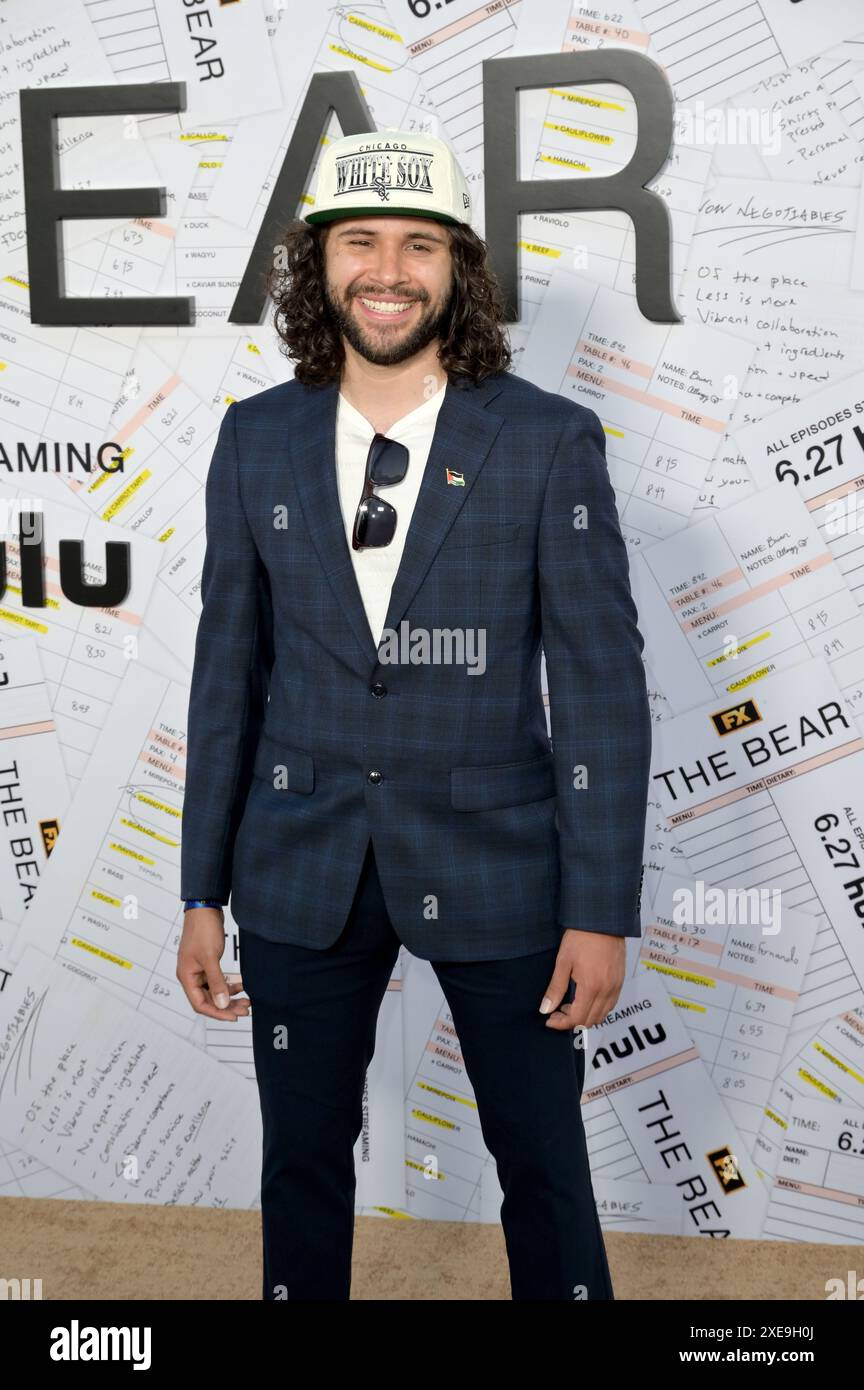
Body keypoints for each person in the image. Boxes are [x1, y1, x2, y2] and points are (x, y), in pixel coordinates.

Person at [177, 128, 652, 1300]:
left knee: (542, 1163)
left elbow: (598, 685)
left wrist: (600, 908)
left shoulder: (545, 439)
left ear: (458, 270)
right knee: (299, 1161)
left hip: (501, 868)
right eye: (361, 240)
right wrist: (201, 890)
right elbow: (226, 672)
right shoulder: (256, 438)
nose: (388, 269)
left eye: (419, 244)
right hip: (297, 862)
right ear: (317, 261)